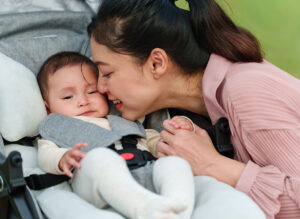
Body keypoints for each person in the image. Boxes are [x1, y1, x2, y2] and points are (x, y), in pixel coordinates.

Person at [89, 0, 300, 219]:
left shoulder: (246, 93)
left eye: (107, 73)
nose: (99, 87)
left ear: (157, 63)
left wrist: (213, 165)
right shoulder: (200, 106)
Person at [36, 51, 197, 219]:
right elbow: (45, 155)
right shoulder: (56, 130)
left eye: (92, 92)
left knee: (174, 163)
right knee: (99, 158)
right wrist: (63, 158)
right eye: (68, 97)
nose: (83, 101)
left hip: (143, 170)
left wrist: (179, 128)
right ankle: (145, 210)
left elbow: (157, 142)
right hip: (95, 185)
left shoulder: (125, 122)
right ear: (48, 108)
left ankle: (177, 207)